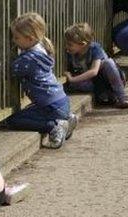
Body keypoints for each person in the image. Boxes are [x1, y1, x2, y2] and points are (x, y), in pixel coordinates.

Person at [5, 12, 77, 149]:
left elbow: (14, 69)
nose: (13, 41)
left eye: (16, 37)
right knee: (29, 112)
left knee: (14, 120)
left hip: (51, 107)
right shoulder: (42, 50)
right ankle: (66, 118)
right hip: (60, 101)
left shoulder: (30, 58)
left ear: (30, 38)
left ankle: (54, 126)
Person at [63, 23, 128, 108]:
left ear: (83, 44)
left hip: (109, 79)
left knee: (108, 63)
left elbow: (94, 71)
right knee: (73, 86)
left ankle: (122, 96)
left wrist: (72, 79)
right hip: (93, 83)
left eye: (70, 45)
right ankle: (105, 95)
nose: (67, 47)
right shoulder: (71, 53)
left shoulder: (95, 48)